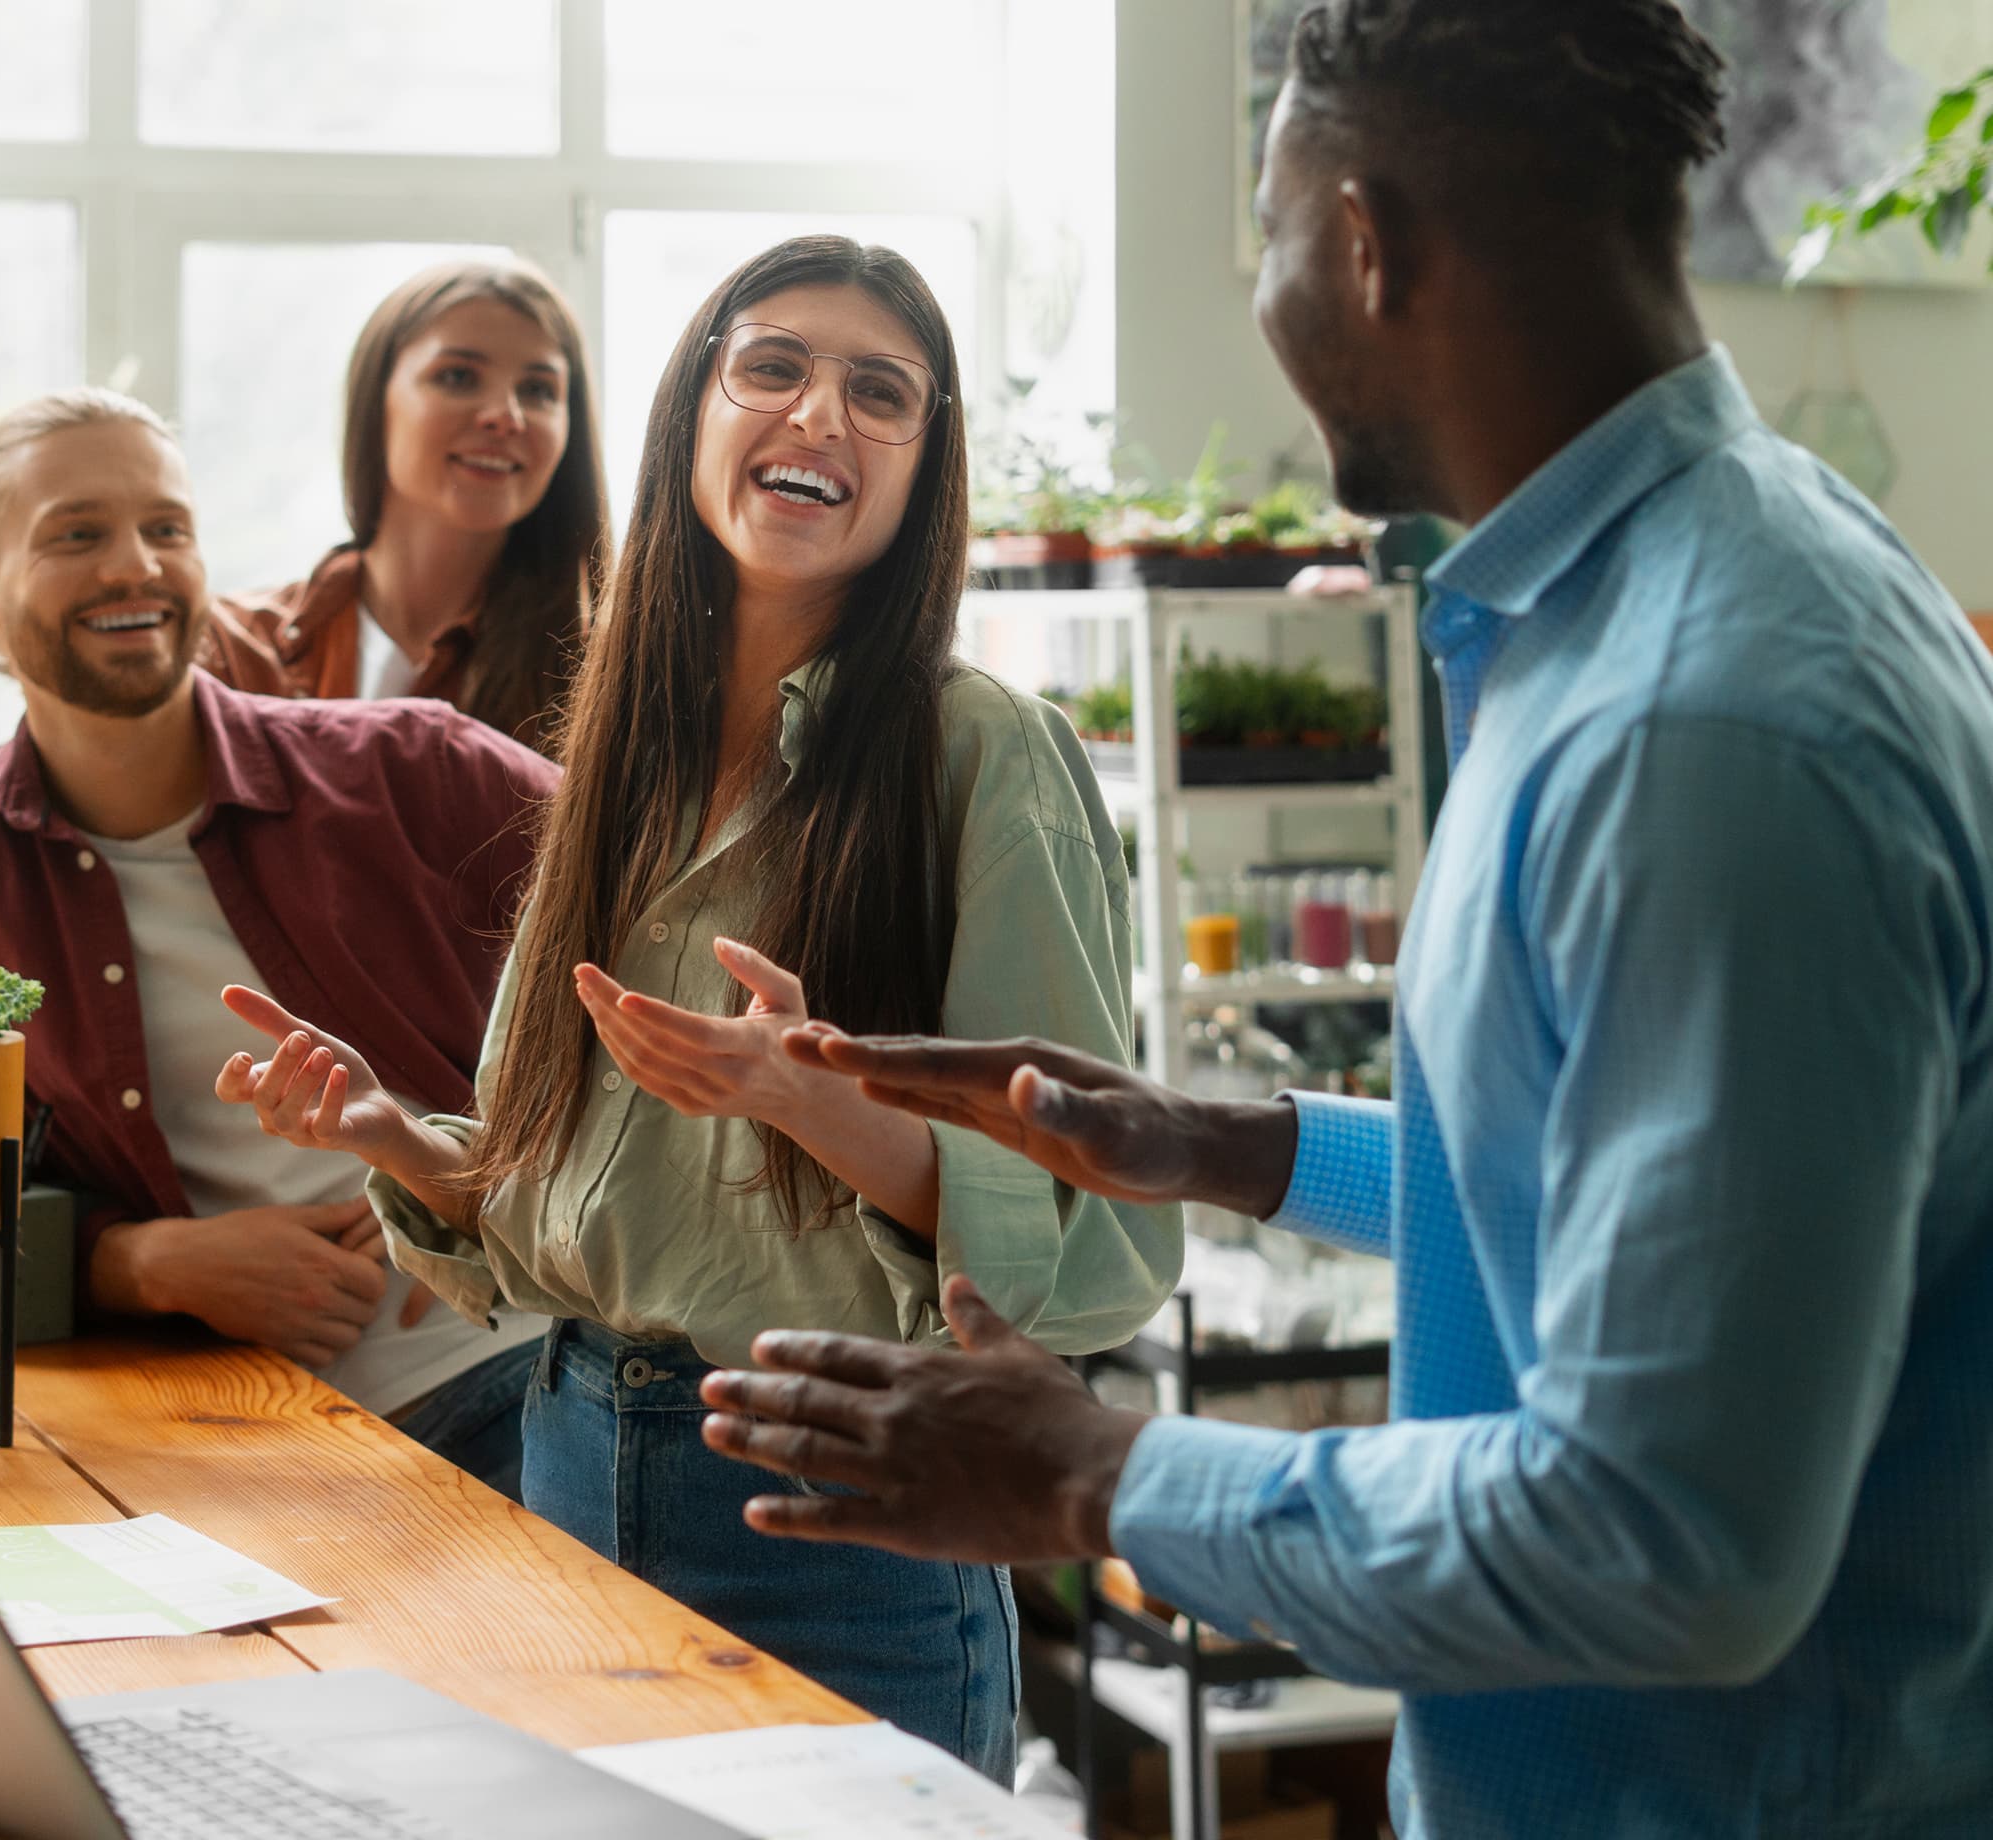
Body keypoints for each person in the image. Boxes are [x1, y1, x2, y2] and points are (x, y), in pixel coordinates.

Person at [692, 7, 1993, 1836]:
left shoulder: (1711, 723)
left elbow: (1678, 1540)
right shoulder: (1627, 612)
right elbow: (1623, 1169)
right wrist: (1226, 1144)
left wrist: (1100, 1478)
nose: (1269, 302)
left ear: (1367, 242)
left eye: (1276, 230)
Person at [214, 236, 1179, 1780]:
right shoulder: (621, 756)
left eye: (882, 394)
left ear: (923, 472)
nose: (819, 416)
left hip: (841, 1524)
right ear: (691, 416)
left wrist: (817, 1100)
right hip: (565, 1466)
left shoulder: (983, 757)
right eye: (774, 366)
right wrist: (395, 1136)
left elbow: (1099, 1247)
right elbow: (576, 1211)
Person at [0, 389, 554, 1494]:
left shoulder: (420, 767)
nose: (137, 566)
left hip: (515, 1371)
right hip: (213, 1420)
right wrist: (145, 1265)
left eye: (166, 528)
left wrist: (484, 1168)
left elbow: (681, 951)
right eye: (79, 533)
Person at [203, 259, 608, 750]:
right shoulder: (230, 649)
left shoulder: (611, 674)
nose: (507, 415)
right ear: (377, 401)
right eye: (459, 376)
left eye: (539, 389)